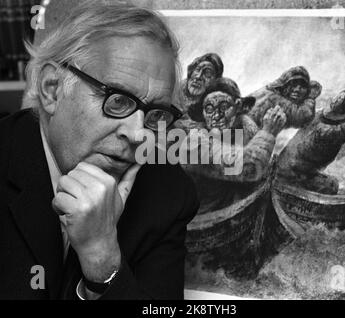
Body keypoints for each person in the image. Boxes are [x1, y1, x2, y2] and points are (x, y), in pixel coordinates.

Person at [0, 3, 199, 300]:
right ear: (52, 89)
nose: (137, 134)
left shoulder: (166, 193)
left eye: (155, 113)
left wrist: (102, 259)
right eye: (118, 100)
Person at [182, 78, 286, 212]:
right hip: (202, 213)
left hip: (233, 204)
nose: (217, 116)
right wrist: (268, 133)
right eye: (209, 108)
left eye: (224, 107)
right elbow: (248, 168)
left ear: (238, 106)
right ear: (202, 113)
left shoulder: (245, 126)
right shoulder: (194, 143)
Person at [276, 88, 345, 195]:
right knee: (332, 185)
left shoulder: (317, 116)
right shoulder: (328, 133)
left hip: (281, 166)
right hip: (292, 176)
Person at [249, 65, 322, 130]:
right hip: (240, 133)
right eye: (293, 84)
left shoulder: (269, 91)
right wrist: (310, 98)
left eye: (302, 86)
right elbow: (304, 117)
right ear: (284, 85)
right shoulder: (274, 98)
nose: (297, 90)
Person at [178, 53, 224, 124]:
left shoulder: (215, 102)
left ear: (215, 81)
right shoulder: (175, 91)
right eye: (197, 69)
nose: (198, 76)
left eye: (207, 73)